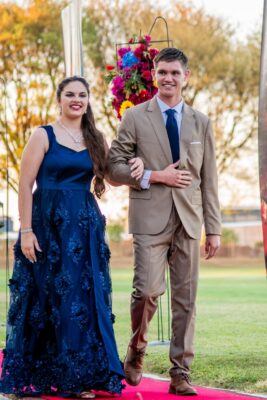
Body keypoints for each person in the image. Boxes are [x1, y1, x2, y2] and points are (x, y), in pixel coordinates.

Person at [0, 76, 144, 398]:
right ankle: (35, 375)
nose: (76, 100)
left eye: (82, 95)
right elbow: (25, 185)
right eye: (70, 95)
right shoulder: (43, 135)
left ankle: (77, 379)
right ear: (59, 99)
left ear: (88, 100)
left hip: (84, 229)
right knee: (43, 299)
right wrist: (26, 231)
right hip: (46, 227)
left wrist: (135, 162)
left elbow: (111, 175)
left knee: (81, 303)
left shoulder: (95, 136)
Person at [108, 48, 221, 396]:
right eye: (162, 73)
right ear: (154, 76)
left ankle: (180, 372)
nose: (168, 78)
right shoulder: (135, 118)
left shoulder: (201, 122)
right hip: (149, 218)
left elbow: (209, 178)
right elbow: (113, 166)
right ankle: (137, 348)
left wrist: (213, 228)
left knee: (186, 300)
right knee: (147, 291)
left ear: (186, 77)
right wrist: (154, 175)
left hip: (189, 221)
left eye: (175, 73)